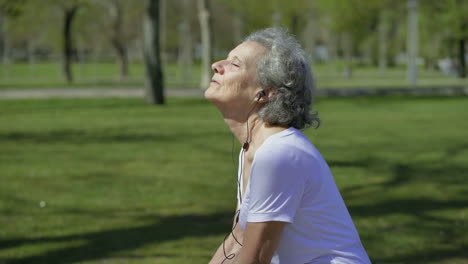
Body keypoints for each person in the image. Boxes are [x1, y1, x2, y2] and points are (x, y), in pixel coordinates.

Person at [204, 28, 371, 264]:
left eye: (235, 64)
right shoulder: (251, 149)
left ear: (265, 93)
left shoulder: (278, 156)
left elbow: (255, 258)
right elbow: (238, 240)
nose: (216, 65)